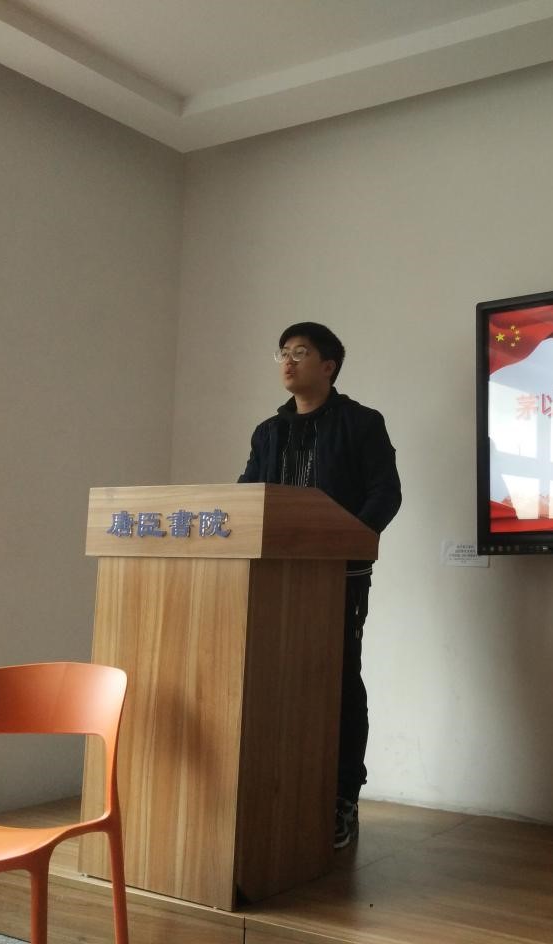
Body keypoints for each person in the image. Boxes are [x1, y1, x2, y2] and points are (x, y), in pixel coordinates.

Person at [239, 322, 402, 848]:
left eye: (300, 352)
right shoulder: (269, 432)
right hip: (273, 579)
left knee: (338, 679)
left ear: (328, 366)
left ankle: (341, 796)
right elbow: (248, 496)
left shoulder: (361, 423)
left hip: (339, 577)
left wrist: (348, 542)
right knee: (275, 680)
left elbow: (385, 493)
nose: (288, 362)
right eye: (283, 353)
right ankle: (281, 791)